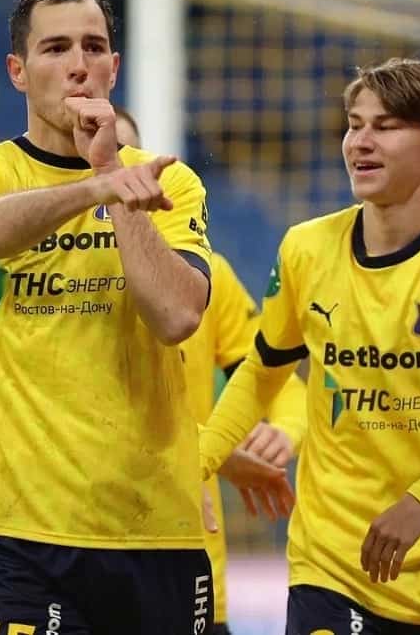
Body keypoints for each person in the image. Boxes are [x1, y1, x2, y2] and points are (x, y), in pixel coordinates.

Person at [0, 0, 289, 634]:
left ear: (114, 67)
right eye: (55, 48)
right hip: (24, 536)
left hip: (158, 530)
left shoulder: (168, 181)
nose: (78, 64)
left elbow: (176, 317)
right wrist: (96, 188)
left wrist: (110, 175)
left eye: (93, 47)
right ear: (17, 70)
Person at [199, 57, 420, 633]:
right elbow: (261, 373)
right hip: (329, 568)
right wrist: (196, 465)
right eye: (354, 125)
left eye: (385, 127)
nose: (360, 142)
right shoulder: (306, 249)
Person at [114, 106, 307, 635]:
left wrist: (283, 432)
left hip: (193, 560)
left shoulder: (206, 281)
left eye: (130, 161)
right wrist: (207, 452)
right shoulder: (48, 285)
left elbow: (279, 382)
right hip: (75, 551)